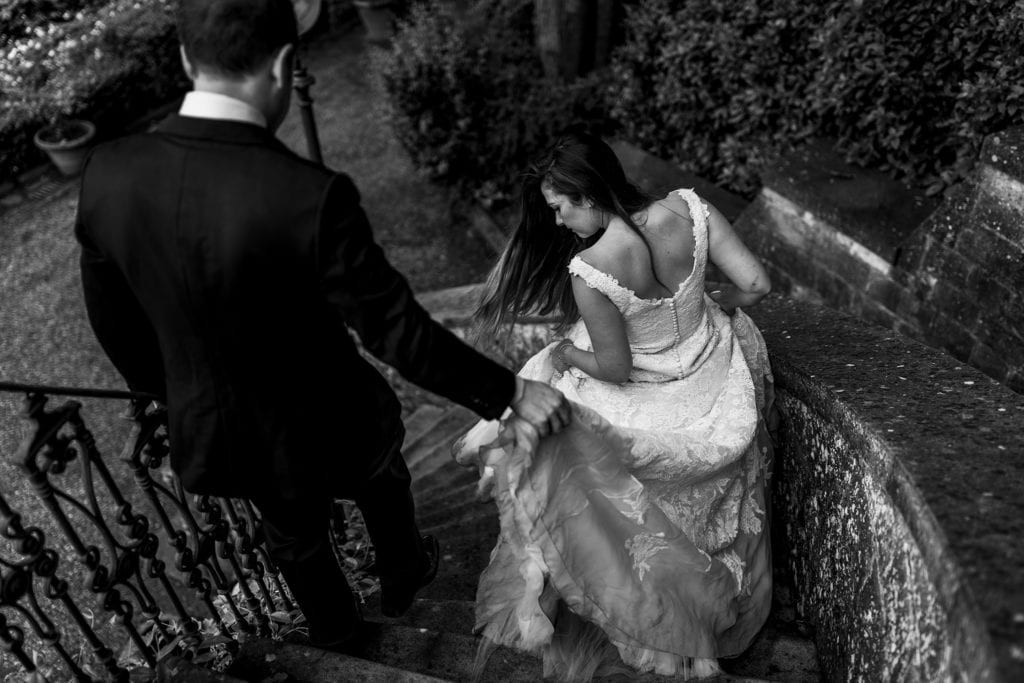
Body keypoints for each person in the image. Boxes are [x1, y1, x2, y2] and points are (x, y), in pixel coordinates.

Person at [74, 0, 570, 654]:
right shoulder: (309, 194)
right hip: (335, 413)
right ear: (283, 65)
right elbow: (397, 332)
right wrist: (509, 393)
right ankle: (405, 571)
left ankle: (337, 632)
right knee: (383, 477)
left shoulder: (107, 174)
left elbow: (114, 322)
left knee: (292, 537)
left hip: (226, 431)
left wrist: (173, 397)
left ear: (187, 58)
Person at [454, 130, 775, 679]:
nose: (557, 222)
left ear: (587, 194)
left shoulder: (593, 270)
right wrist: (720, 301)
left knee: (553, 406)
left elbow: (616, 367)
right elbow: (756, 284)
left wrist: (564, 354)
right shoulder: (692, 208)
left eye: (559, 208)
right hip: (707, 370)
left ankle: (608, 591)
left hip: (647, 384)